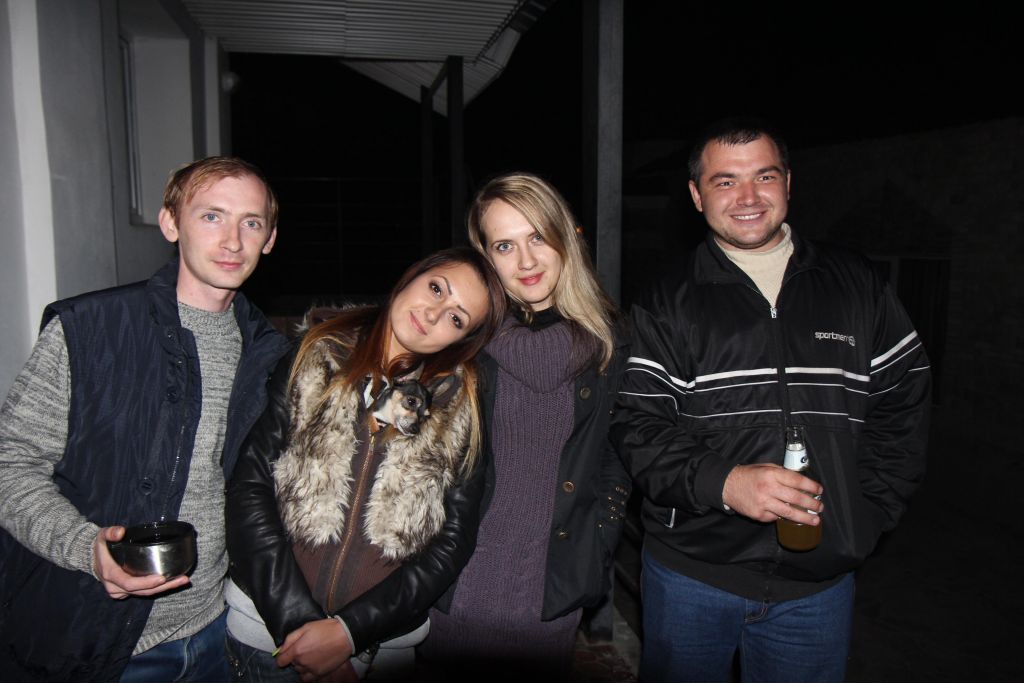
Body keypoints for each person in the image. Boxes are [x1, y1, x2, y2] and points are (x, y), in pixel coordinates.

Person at [610, 117, 932, 683]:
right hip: (692, 577)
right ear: (696, 195)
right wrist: (725, 483)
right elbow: (637, 425)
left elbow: (904, 404)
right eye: (725, 181)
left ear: (788, 182)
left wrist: (866, 514)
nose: (748, 197)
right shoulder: (666, 298)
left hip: (818, 588)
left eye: (764, 176)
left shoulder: (858, 283)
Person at [0, 156, 290, 681]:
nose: (232, 241)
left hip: (218, 632)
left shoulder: (270, 356)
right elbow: (10, 466)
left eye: (251, 223)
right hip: (94, 640)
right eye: (211, 216)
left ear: (269, 239)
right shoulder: (90, 328)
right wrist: (88, 548)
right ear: (170, 223)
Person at [223, 246, 507, 681]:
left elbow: (453, 542)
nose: (433, 315)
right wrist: (300, 626)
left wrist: (348, 634)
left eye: (456, 318)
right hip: (267, 636)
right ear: (413, 275)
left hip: (381, 649)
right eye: (436, 289)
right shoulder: (316, 356)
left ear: (461, 341)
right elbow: (250, 486)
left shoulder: (460, 406)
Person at [418, 172, 631, 680]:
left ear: (565, 237)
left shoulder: (609, 343)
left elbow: (615, 454)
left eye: (537, 236)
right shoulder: (465, 340)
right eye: (505, 246)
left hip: (548, 591)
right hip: (457, 581)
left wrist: (598, 539)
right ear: (486, 258)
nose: (526, 260)